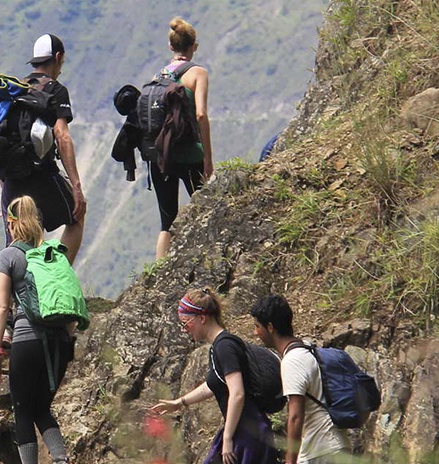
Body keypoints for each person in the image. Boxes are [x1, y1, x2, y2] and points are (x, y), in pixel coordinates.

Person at [0, 196, 77, 464]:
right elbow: (69, 298)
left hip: (27, 342)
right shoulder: (54, 254)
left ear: (11, 223)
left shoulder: (8, 256)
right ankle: (61, 460)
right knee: (41, 407)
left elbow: (3, 307)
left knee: (23, 410)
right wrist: (68, 340)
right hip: (59, 342)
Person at [150, 288, 274, 464]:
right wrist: (179, 403)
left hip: (248, 434)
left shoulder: (224, 347)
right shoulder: (220, 346)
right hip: (243, 430)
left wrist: (228, 438)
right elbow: (213, 384)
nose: (185, 330)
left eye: (186, 323)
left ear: (202, 318)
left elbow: (237, 393)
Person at [1, 33, 87, 261]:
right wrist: (77, 187)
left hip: (11, 177)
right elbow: (62, 136)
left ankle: (13, 294)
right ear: (58, 57)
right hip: (42, 173)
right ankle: (58, 277)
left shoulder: (15, 89)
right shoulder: (55, 90)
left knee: (17, 241)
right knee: (77, 215)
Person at [249, 295, 347, 464]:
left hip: (321, 450)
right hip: (334, 444)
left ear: (270, 327)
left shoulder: (292, 360)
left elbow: (295, 415)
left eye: (257, 326)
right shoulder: (307, 347)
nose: (255, 332)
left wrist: (290, 460)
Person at [152, 18, 214, 260]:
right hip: (190, 154)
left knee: (167, 221)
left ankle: (157, 277)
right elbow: (201, 113)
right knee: (207, 210)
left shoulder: (159, 75)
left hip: (161, 156)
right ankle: (206, 261)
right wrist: (207, 158)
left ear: (171, 47)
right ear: (194, 46)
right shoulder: (198, 73)